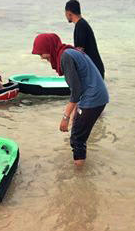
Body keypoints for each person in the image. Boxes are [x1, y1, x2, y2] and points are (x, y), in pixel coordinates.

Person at [32, 33, 109, 167]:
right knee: (79, 134)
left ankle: (79, 178)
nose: (42, 58)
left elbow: (76, 91)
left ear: (48, 47)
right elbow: (82, 82)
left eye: (41, 53)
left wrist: (65, 117)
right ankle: (81, 171)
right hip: (97, 96)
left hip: (93, 98)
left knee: (77, 139)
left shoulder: (65, 56)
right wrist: (76, 111)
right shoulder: (68, 52)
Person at [65, 0, 105, 79]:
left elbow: (80, 52)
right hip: (95, 68)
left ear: (69, 13)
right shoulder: (82, 24)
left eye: (65, 13)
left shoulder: (80, 26)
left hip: (94, 70)